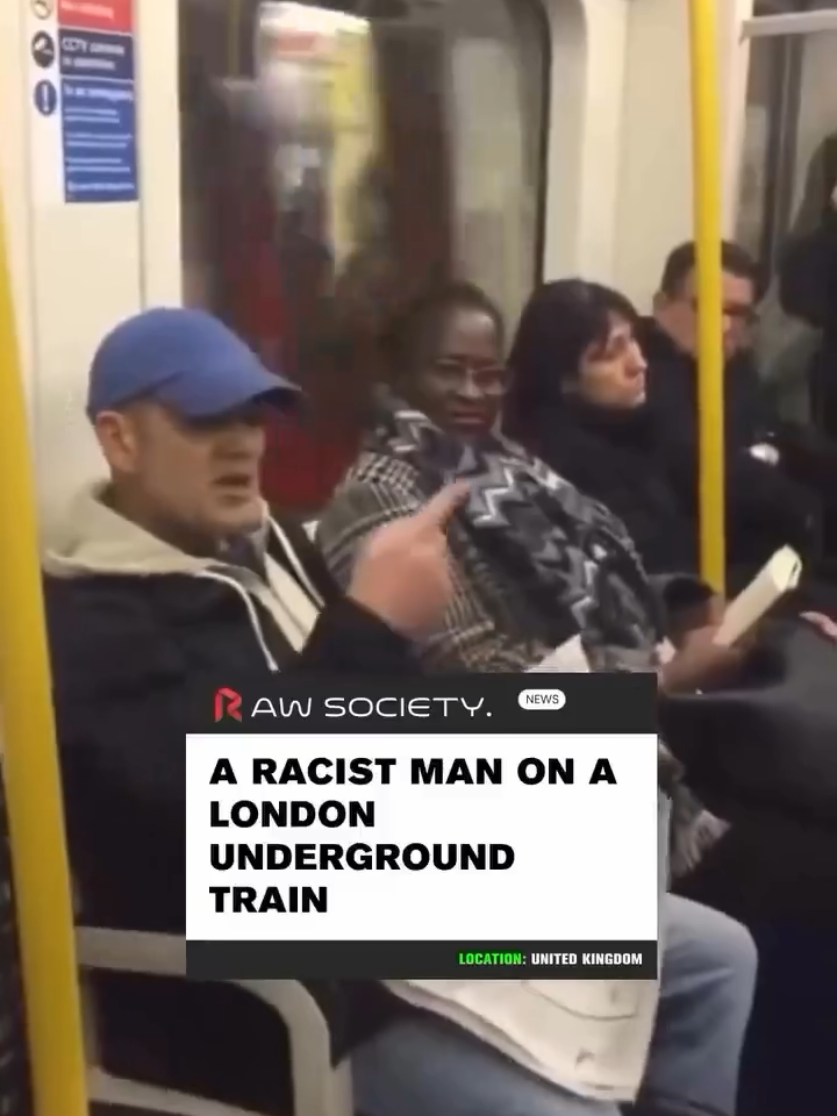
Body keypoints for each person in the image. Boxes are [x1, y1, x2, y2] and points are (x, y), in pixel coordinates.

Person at [318, 283, 757, 1116]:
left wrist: (669, 601)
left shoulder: (504, 465)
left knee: (732, 934)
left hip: (597, 751)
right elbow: (486, 685)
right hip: (502, 798)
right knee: (773, 870)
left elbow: (580, 584)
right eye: (451, 372)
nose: (475, 393)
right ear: (398, 373)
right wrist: (664, 676)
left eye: (490, 374)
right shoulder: (382, 498)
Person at [43, 307, 467, 1114]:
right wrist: (371, 626)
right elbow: (246, 802)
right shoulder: (90, 624)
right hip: (276, 989)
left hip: (389, 891)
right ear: (120, 439)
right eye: (205, 419)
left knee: (707, 952)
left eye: (251, 416)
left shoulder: (269, 550)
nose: (242, 443)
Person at [636, 240, 821, 581]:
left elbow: (773, 435)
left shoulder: (737, 370)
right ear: (662, 306)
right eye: (706, 308)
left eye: (736, 313)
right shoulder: (641, 372)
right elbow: (696, 462)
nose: (722, 326)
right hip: (693, 570)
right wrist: (804, 509)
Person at [503, 279, 697, 577]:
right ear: (564, 379)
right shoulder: (563, 473)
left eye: (633, 340)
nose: (638, 363)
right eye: (610, 355)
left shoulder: (641, 428)